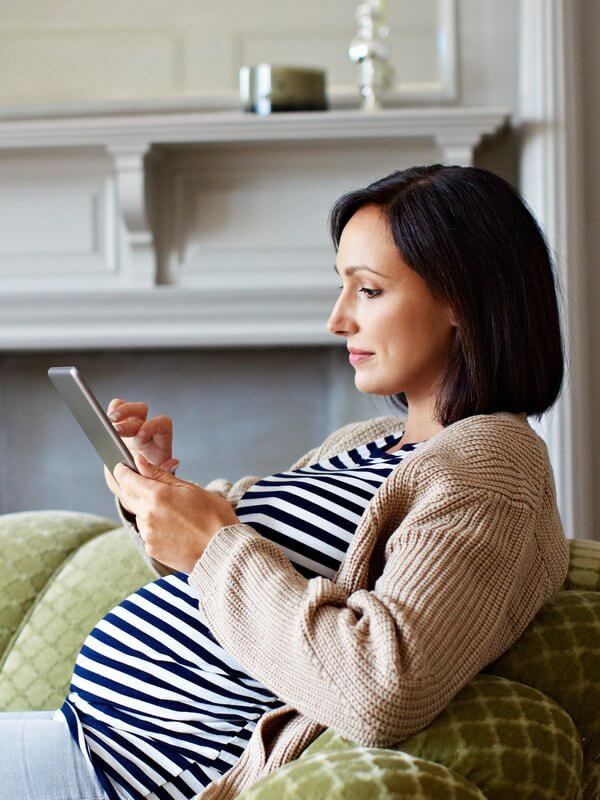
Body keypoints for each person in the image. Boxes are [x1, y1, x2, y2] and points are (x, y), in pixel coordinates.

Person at [0, 164, 569, 800]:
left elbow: (384, 684)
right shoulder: (365, 444)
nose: (337, 320)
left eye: (369, 291)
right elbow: (245, 567)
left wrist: (212, 543)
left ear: (461, 299)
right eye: (340, 287)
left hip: (132, 778)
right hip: (87, 737)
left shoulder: (494, 472)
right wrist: (159, 494)